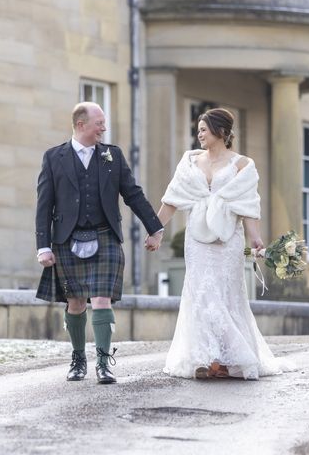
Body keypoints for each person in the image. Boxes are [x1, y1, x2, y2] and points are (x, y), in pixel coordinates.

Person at [145, 108, 294, 380]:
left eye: (203, 129)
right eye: (198, 129)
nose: (199, 134)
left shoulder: (242, 165)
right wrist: (156, 231)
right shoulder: (189, 161)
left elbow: (248, 206)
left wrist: (257, 241)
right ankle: (206, 358)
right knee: (201, 294)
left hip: (228, 242)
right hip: (197, 241)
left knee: (226, 297)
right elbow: (172, 200)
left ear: (221, 132)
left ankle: (228, 358)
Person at [36, 102, 163, 384]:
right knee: (76, 301)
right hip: (67, 239)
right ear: (81, 125)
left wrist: (155, 228)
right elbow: (44, 205)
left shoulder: (112, 156)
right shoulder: (54, 157)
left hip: (105, 235)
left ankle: (104, 364)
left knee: (102, 298)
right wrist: (43, 246)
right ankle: (78, 359)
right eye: (99, 124)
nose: (103, 129)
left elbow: (133, 194)